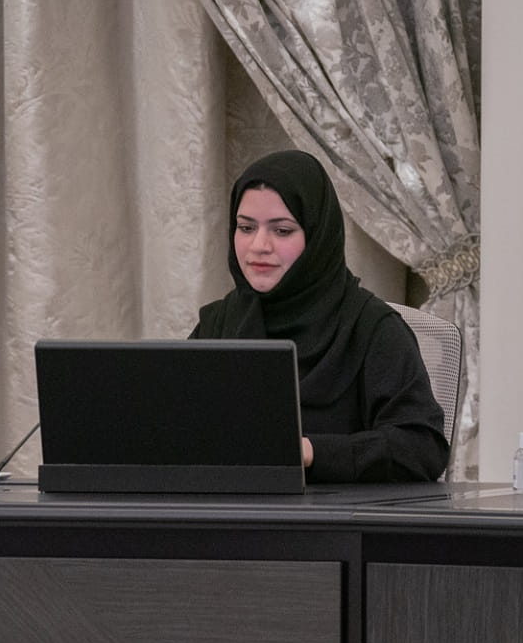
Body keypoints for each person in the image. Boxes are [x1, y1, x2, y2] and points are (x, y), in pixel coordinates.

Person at [191, 150, 449, 483]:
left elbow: (421, 447)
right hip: (226, 510)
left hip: (339, 514)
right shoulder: (218, 323)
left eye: (282, 231)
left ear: (317, 235)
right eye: (245, 227)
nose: (258, 245)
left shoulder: (372, 328)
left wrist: (310, 452)